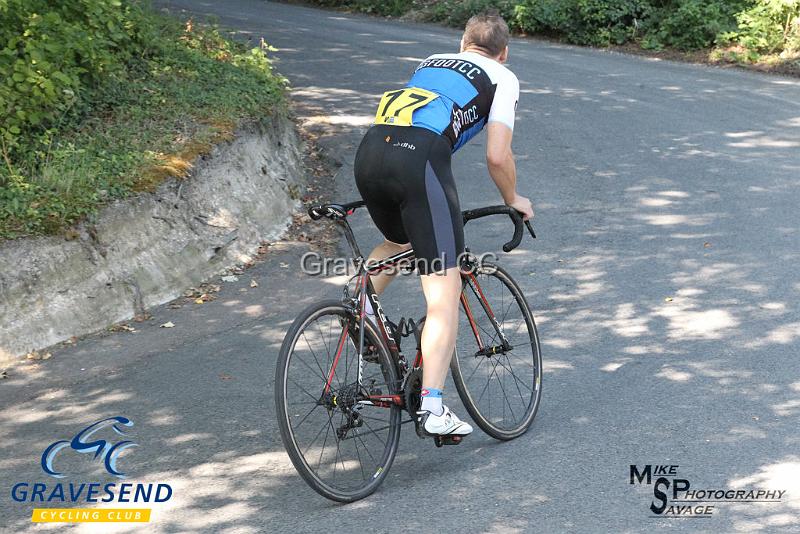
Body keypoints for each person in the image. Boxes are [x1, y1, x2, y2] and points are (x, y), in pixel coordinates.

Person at [353, 11, 533, 439]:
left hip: (371, 154)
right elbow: (496, 155)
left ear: (461, 43)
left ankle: (359, 314)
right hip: (419, 163)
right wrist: (514, 198)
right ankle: (432, 405)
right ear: (503, 53)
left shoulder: (431, 61)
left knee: (397, 241)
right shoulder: (503, 78)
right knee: (443, 294)